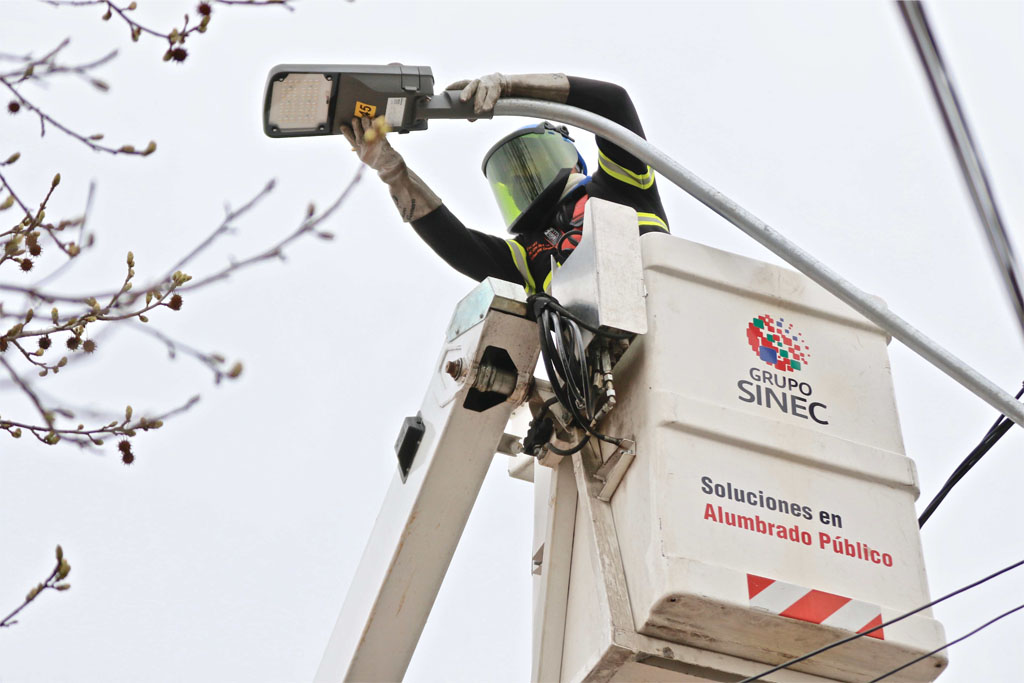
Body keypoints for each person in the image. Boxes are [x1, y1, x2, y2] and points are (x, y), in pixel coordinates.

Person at [341, 73, 670, 295]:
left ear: (565, 152)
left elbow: (613, 103)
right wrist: (391, 169)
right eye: (510, 178)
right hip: (599, 366)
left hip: (669, 308)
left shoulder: (621, 185)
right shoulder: (527, 254)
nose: (521, 177)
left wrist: (507, 86)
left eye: (529, 161)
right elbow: (459, 245)